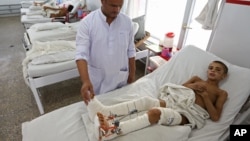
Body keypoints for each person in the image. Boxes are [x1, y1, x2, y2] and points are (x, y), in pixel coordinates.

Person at [86, 60, 229, 140]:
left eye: (218, 70)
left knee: (155, 113)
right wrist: (192, 85)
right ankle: (104, 111)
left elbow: (215, 116)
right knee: (146, 101)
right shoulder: (197, 79)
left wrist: (205, 97)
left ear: (223, 76)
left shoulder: (221, 93)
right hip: (175, 102)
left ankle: (111, 131)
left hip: (187, 115)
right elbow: (179, 89)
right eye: (211, 68)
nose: (213, 70)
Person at [75, 0, 136, 104]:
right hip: (98, 80)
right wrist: (85, 81)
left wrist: (132, 72)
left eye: (120, 6)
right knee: (100, 111)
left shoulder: (127, 22)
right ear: (102, 1)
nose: (117, 10)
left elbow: (131, 50)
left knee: (120, 110)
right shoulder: (88, 23)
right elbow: (81, 55)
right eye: (113, 5)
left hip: (120, 77)